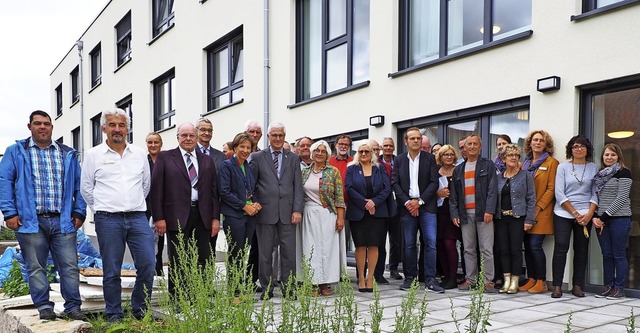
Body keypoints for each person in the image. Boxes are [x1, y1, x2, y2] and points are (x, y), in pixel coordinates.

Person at [0, 110, 87, 321]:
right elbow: (5, 182)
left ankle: (73, 307)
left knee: (69, 266)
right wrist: (9, 212)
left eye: (46, 124)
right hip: (31, 221)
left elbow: (81, 186)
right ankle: (44, 307)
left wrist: (79, 211)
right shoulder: (16, 151)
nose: (42, 127)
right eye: (37, 123)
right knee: (36, 267)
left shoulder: (67, 153)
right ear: (29, 126)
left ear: (52, 127)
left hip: (63, 221)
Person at [80, 109, 155, 322]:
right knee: (112, 270)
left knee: (148, 264)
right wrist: (102, 208)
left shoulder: (140, 154)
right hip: (108, 219)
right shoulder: (93, 155)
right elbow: (86, 188)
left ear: (128, 129)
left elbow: (145, 185)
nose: (117, 129)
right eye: (112, 124)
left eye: (121, 125)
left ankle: (140, 310)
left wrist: (131, 203)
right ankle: (114, 313)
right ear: (104, 128)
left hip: (137, 218)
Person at [151, 123, 221, 299]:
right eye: (184, 135)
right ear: (178, 137)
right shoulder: (165, 157)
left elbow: (214, 191)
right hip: (176, 215)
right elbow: (157, 189)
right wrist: (159, 218)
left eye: (191, 135)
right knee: (178, 259)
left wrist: (215, 218)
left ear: (197, 138)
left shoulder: (207, 160)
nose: (188, 139)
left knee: (203, 259)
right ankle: (178, 298)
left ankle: (201, 297)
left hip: (202, 214)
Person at [250, 122, 304, 300]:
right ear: (268, 137)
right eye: (274, 135)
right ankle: (266, 288)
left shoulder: (293, 158)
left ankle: (289, 288)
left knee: (289, 253)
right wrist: (255, 204)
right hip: (265, 212)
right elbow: (252, 184)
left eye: (281, 135)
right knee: (265, 253)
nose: (278, 138)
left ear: (284, 136)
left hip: (288, 213)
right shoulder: (257, 157)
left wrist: (297, 209)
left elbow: (298, 186)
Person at [392, 127, 444, 293]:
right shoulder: (399, 160)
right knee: (409, 244)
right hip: (407, 208)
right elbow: (395, 183)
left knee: (431, 243)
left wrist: (419, 202)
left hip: (427, 207)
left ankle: (430, 280)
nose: (415, 141)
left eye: (418, 138)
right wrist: (408, 203)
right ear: (406, 141)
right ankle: (410, 279)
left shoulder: (430, 159)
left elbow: (433, 183)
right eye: (412, 138)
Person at [450, 134, 498, 293]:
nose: (471, 147)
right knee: (468, 248)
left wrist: (490, 210)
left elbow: (492, 190)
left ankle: (488, 281)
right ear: (464, 148)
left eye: (474, 144)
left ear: (480, 147)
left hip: (483, 213)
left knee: (486, 248)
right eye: (468, 144)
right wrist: (454, 213)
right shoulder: (459, 169)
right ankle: (471, 280)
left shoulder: (488, 165)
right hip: (464, 214)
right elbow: (454, 195)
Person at [551, 135, 598, 298]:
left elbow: (595, 193)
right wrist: (574, 213)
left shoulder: (594, 168)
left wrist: (589, 213)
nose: (579, 149)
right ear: (570, 149)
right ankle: (557, 286)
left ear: (587, 149)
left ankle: (577, 286)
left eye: (582, 146)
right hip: (563, 213)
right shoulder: (562, 167)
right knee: (560, 248)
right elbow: (559, 192)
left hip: (586, 215)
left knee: (581, 250)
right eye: (576, 146)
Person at [300, 140, 346, 296]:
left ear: (327, 154)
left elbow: (339, 196)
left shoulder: (333, 171)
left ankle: (325, 283)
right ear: (312, 153)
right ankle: (312, 283)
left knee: (327, 249)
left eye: (323, 151)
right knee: (310, 248)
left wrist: (340, 218)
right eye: (317, 151)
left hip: (327, 214)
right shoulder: (304, 172)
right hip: (308, 214)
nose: (319, 153)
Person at [218, 132, 261, 294]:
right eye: (242, 146)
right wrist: (244, 206)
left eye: (248, 147)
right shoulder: (227, 166)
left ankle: (240, 286)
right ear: (235, 148)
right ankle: (234, 290)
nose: (245, 150)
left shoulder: (249, 167)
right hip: (234, 215)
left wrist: (255, 203)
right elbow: (225, 192)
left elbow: (252, 189)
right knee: (235, 252)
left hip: (250, 216)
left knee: (243, 252)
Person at [345, 142, 390, 292]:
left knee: (373, 245)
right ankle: (361, 279)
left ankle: (370, 278)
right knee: (360, 246)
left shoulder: (380, 167)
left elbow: (386, 188)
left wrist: (373, 202)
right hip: (358, 213)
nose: (364, 154)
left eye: (367, 151)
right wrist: (365, 203)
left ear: (372, 153)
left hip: (377, 213)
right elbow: (349, 188)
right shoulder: (352, 168)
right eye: (361, 151)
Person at [520, 130, 558, 294]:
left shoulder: (551, 163)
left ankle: (541, 281)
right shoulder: (525, 164)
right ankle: (531, 279)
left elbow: (551, 189)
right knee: (527, 246)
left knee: (535, 245)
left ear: (546, 145)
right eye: (535, 140)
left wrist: (537, 207)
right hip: (524, 211)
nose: (537, 143)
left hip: (541, 212)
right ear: (530, 143)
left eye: (541, 141)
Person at [592, 143, 632, 299]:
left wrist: (602, 217)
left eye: (613, 155)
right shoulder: (600, 174)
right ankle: (608, 286)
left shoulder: (624, 173)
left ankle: (619, 288)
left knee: (619, 255)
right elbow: (596, 197)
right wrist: (596, 216)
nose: (609, 157)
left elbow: (622, 198)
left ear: (618, 157)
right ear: (602, 157)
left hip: (619, 219)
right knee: (606, 254)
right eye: (606, 155)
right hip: (602, 220)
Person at [495, 144, 536, 294]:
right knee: (503, 250)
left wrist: (529, 220)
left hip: (518, 218)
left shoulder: (525, 175)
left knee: (516, 250)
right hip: (500, 218)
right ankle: (506, 280)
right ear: (503, 158)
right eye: (510, 155)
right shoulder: (498, 177)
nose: (513, 158)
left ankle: (515, 281)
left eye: (516, 155)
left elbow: (531, 199)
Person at [195, 118, 226, 257]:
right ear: (196, 131)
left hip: (212, 210)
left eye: (209, 130)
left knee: (208, 251)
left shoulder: (220, 156)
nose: (206, 133)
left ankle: (206, 278)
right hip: (190, 209)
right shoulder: (188, 153)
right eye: (203, 129)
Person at [434, 145, 461, 290]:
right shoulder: (435, 172)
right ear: (440, 156)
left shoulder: (458, 171)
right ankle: (445, 276)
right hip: (438, 213)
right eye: (446, 154)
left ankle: (453, 277)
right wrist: (437, 193)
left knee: (450, 244)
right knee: (440, 245)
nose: (449, 157)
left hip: (452, 213)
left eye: (451, 154)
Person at [380, 137, 403, 280]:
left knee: (396, 239)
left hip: (397, 204)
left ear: (394, 148)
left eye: (390, 146)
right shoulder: (376, 162)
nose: (388, 148)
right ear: (382, 148)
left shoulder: (400, 161)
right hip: (382, 204)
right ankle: (379, 270)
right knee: (380, 239)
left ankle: (393, 268)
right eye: (385, 146)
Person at [145, 132, 165, 276]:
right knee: (146, 240)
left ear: (161, 144)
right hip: (145, 207)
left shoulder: (166, 160)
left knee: (160, 239)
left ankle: (159, 269)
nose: (153, 145)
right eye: (150, 142)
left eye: (156, 142)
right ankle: (147, 269)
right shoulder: (142, 161)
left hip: (163, 207)